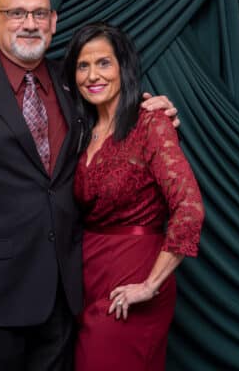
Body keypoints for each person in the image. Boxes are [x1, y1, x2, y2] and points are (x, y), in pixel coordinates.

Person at [0, 0, 178, 371]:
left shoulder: (74, 82)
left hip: (65, 290)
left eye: (39, 14)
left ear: (53, 22)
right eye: (17, 13)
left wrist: (153, 114)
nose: (29, 23)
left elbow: (112, 125)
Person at [62, 22, 205, 371]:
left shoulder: (150, 122)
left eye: (104, 63)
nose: (92, 75)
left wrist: (150, 285)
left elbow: (189, 209)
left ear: (123, 68)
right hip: (88, 275)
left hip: (134, 272)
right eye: (83, 66)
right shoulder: (81, 131)